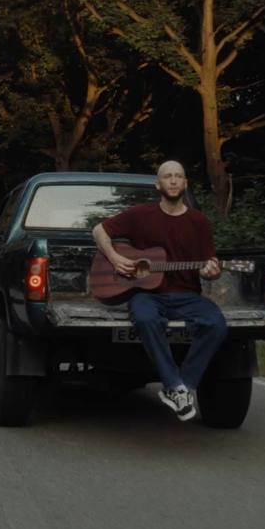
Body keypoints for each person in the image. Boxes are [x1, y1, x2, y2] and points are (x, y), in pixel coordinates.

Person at [92, 160, 226, 422]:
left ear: (185, 183)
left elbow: (208, 264)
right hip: (147, 295)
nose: (173, 181)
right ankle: (174, 383)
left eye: (178, 176)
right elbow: (99, 230)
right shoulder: (141, 214)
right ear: (158, 184)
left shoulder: (198, 221)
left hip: (187, 295)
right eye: (167, 176)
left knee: (216, 324)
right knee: (145, 318)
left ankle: (181, 386)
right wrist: (115, 258)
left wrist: (212, 271)